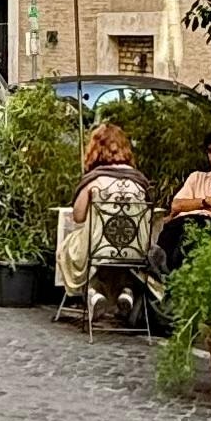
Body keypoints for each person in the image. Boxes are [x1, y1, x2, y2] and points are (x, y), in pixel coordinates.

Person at [58, 121, 151, 294]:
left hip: (98, 249)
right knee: (117, 251)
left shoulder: (94, 181)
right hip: (134, 251)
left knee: (69, 244)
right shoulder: (140, 183)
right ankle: (126, 290)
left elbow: (78, 217)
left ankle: (94, 291)